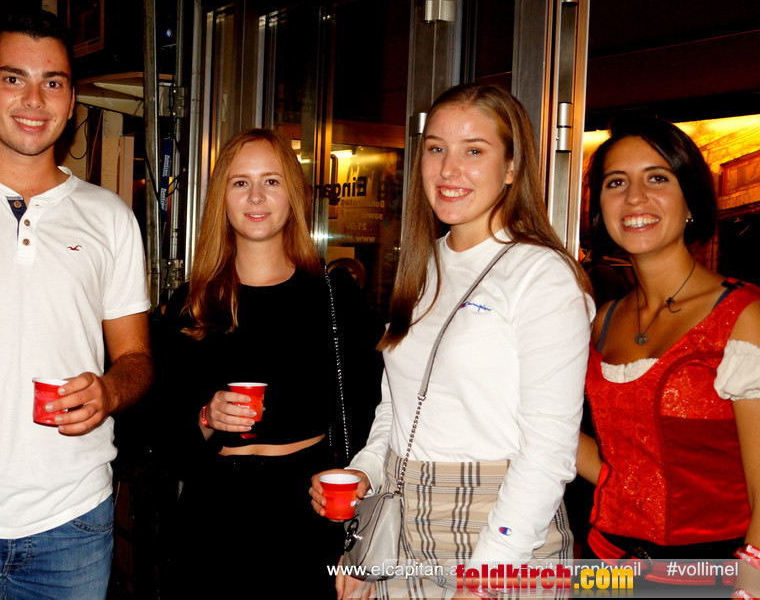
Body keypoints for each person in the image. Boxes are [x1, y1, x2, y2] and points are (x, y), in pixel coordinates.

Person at [0, 12, 152, 600]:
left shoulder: (111, 217)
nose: (34, 100)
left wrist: (109, 391)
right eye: (13, 78)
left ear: (71, 101)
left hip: (74, 517)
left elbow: (136, 358)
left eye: (53, 82)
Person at [311, 83, 594, 598]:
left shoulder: (541, 275)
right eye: (436, 148)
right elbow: (397, 408)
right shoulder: (424, 265)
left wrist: (487, 573)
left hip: (503, 530)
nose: (448, 169)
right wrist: (364, 477)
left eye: (474, 151)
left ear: (512, 168)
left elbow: (549, 452)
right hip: (404, 523)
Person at [156, 129, 383, 598]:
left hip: (309, 513)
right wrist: (206, 417)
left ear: (292, 195)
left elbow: (370, 419)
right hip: (212, 519)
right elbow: (164, 443)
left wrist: (361, 541)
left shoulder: (335, 298)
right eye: (241, 183)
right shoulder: (192, 304)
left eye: (271, 181)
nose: (256, 196)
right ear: (222, 198)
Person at [576, 115, 760, 594]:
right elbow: (621, 471)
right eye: (617, 182)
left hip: (708, 579)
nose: (634, 197)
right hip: (605, 569)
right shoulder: (602, 320)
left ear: (691, 200)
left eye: (657, 178)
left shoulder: (744, 316)